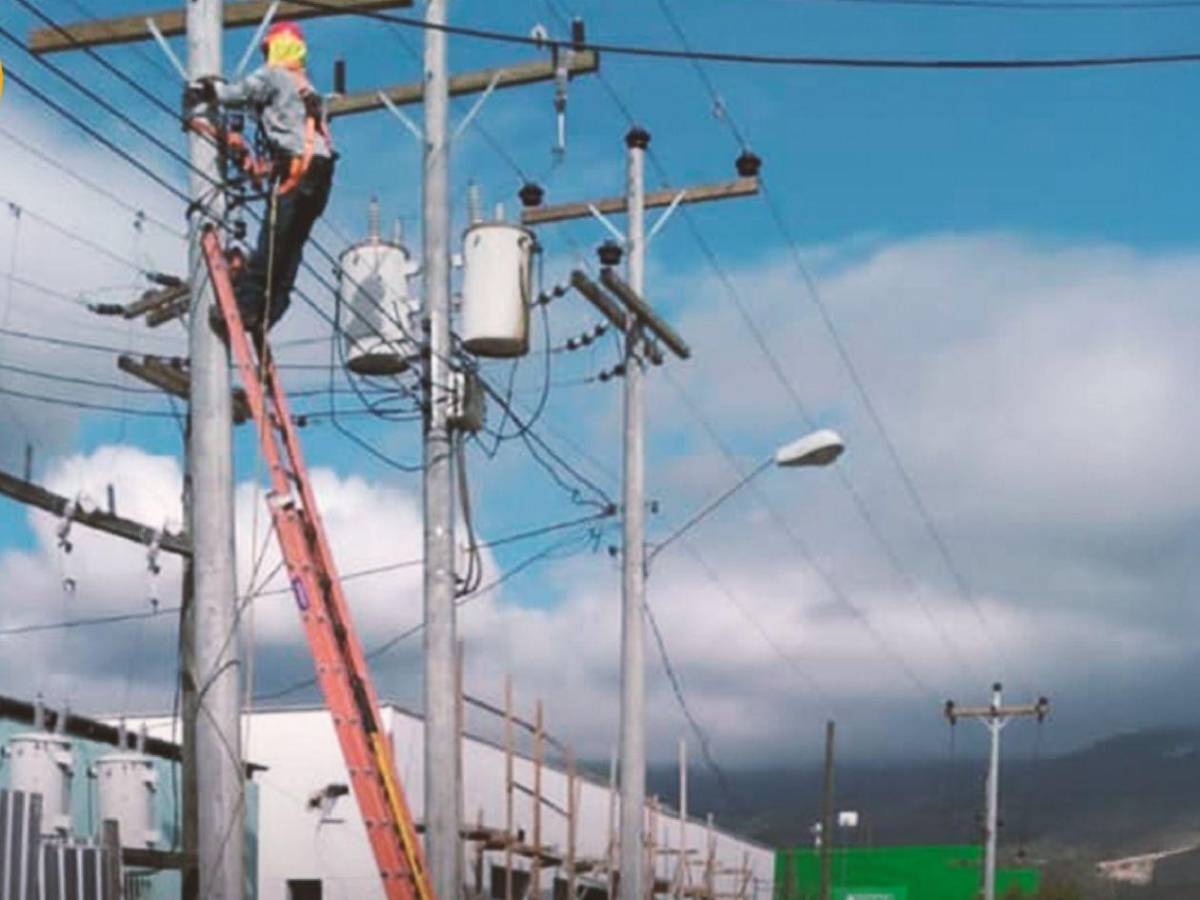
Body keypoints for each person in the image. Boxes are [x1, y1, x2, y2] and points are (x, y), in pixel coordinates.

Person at [185, 20, 334, 341]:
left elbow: (238, 93)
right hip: (321, 177)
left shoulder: (273, 76)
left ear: (273, 47)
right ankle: (272, 311)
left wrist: (205, 91)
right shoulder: (309, 91)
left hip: (298, 168)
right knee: (291, 246)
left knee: (271, 242)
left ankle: (246, 308)